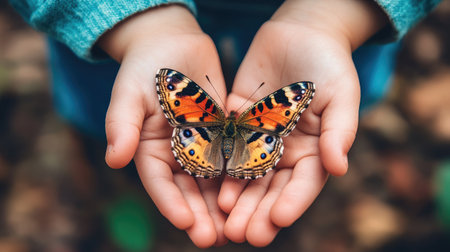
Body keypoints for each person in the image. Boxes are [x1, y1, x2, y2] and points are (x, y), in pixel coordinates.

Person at [9, 0, 441, 248]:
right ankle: (114, 182)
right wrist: (135, 25)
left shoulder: (193, 104)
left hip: (341, 23)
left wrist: (334, 14)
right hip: (110, 40)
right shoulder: (266, 111)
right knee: (114, 128)